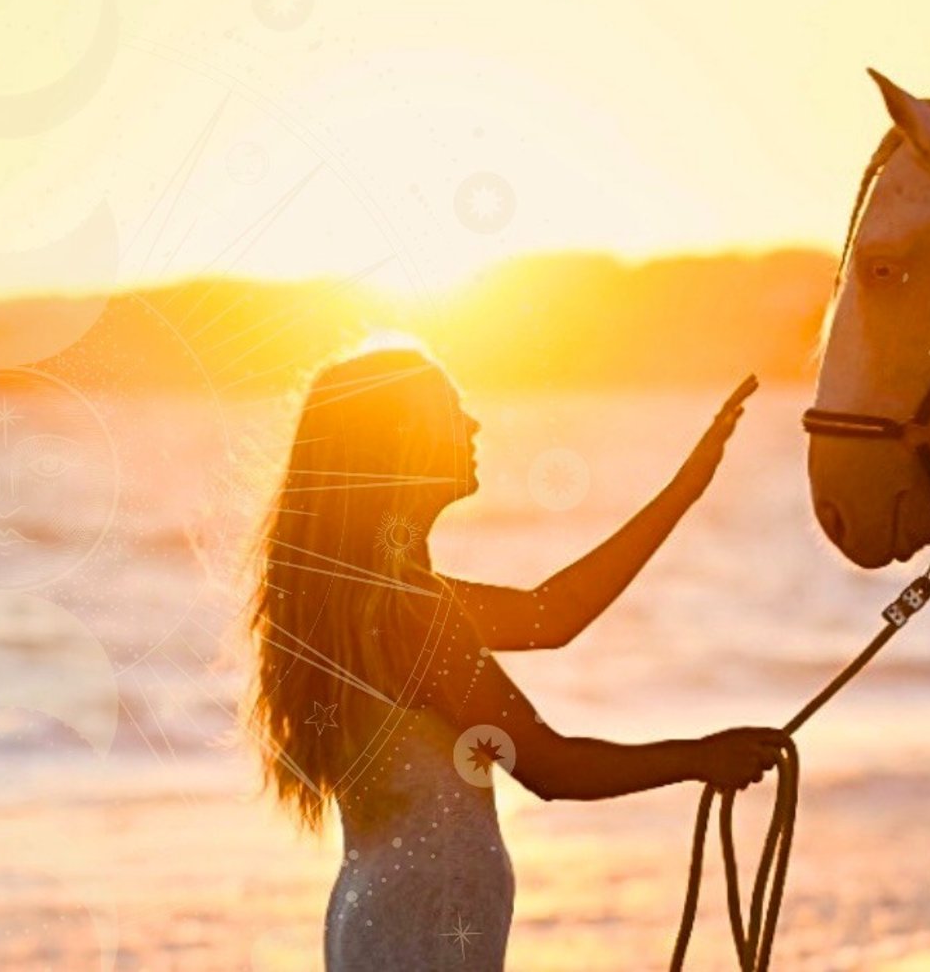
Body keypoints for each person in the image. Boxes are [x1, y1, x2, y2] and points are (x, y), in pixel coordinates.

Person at [244, 346, 788, 970]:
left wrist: (685, 490)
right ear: (402, 440)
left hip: (378, 918)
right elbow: (549, 767)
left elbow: (551, 615)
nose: (473, 425)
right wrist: (701, 758)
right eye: (452, 410)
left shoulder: (378, 602)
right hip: (423, 930)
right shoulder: (413, 615)